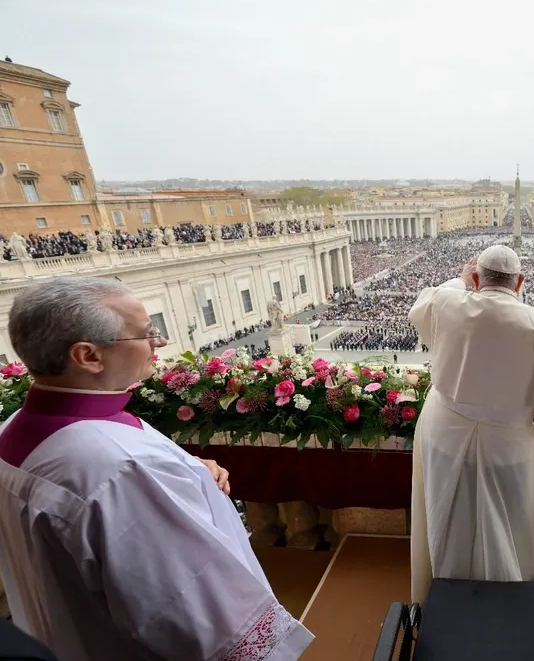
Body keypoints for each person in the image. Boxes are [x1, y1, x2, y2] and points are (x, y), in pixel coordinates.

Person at [0, 278, 313, 660]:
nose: (158, 344)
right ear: (88, 356)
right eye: (146, 334)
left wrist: (186, 471)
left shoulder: (16, 428)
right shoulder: (123, 470)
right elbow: (193, 611)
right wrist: (160, 478)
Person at [407, 245, 534, 603]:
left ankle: (444, 593)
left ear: (475, 278)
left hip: (443, 435)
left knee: (448, 516)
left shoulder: (447, 302)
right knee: (513, 526)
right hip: (509, 444)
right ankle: (512, 599)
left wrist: (462, 282)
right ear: (520, 282)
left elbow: (426, 304)